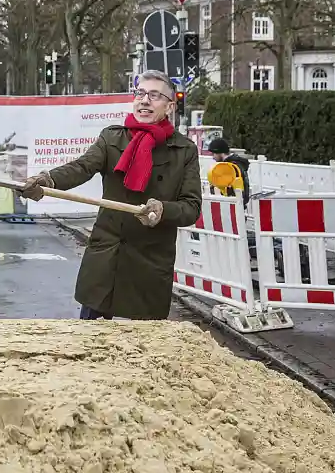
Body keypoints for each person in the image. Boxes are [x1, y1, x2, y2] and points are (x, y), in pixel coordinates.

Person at [19, 70, 202, 320]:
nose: (144, 100)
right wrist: (47, 180)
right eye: (140, 93)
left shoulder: (184, 151)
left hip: (148, 263)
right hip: (106, 256)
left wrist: (162, 210)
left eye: (154, 95)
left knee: (143, 348)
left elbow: (191, 207)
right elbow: (82, 167)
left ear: (170, 106)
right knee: (89, 343)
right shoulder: (112, 137)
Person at [208, 137, 250, 206]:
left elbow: (223, 188)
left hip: (231, 206)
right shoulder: (238, 164)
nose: (213, 157)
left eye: (214, 154)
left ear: (220, 152)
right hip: (238, 205)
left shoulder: (229, 167)